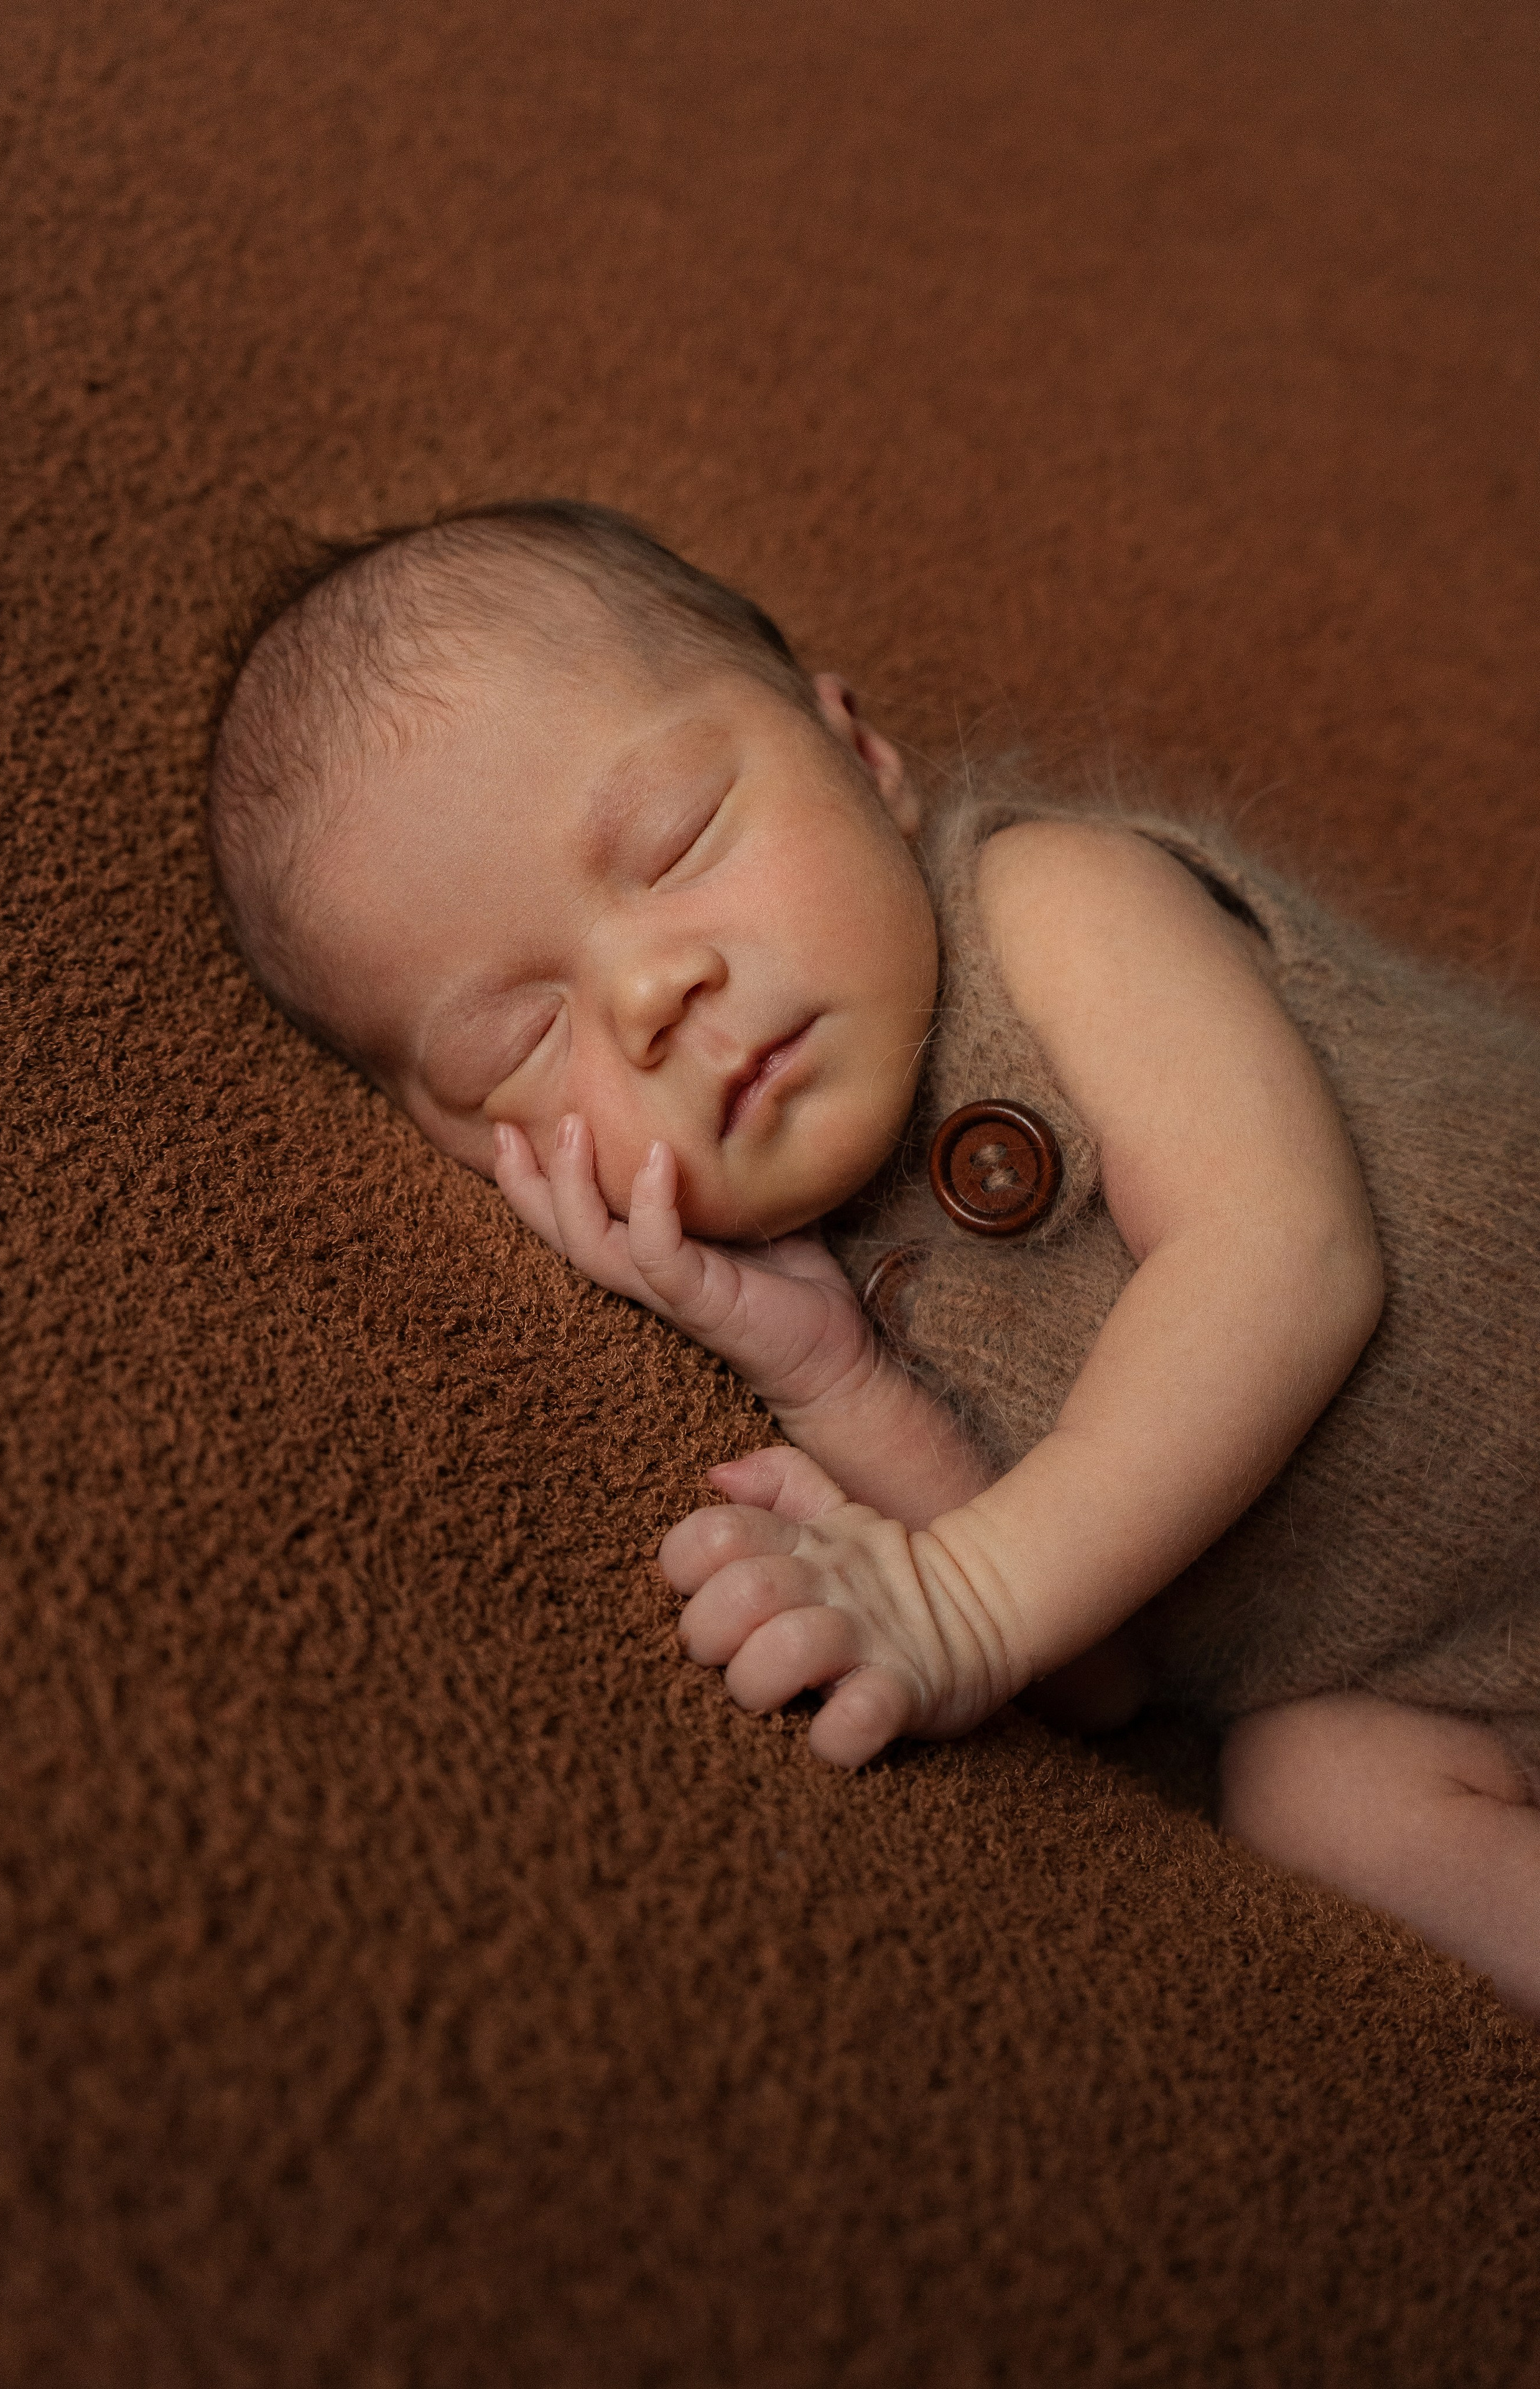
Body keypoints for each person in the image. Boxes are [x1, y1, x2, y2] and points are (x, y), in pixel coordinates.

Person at [206, 500, 1540, 2016]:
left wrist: (959, 1600)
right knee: (1310, 1799)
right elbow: (1101, 1672)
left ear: (861, 758)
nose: (651, 987)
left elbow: (1282, 1256)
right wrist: (836, 1381)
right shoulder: (831, 1300)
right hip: (1474, 1676)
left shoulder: (1050, 905)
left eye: (677, 840)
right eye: (526, 1036)